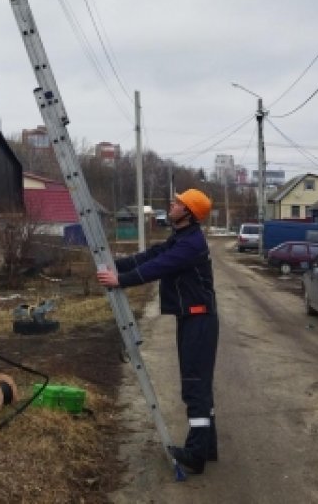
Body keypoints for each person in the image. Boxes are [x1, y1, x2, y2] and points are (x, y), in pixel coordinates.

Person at [97, 189, 219, 474]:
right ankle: (208, 447)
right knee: (199, 384)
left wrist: (120, 281)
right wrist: (117, 266)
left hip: (199, 321)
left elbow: (159, 267)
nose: (172, 205)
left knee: (194, 386)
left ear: (188, 213)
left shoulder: (192, 245)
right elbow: (152, 255)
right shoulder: (181, 238)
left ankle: (196, 455)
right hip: (192, 319)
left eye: (178, 203)